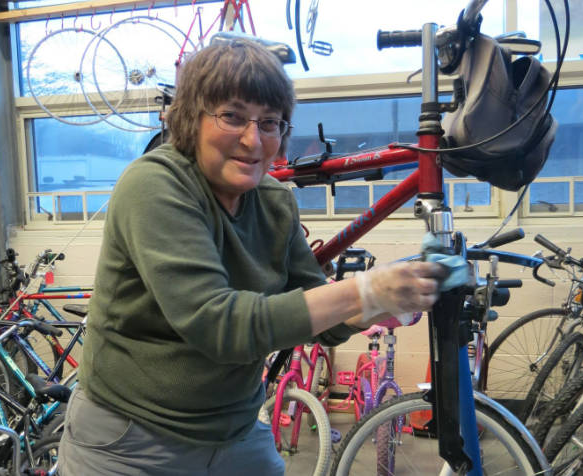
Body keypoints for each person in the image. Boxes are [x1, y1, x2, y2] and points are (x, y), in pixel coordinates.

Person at [58, 38, 445, 476]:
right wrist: (362, 293)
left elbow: (318, 308)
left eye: (269, 122)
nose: (252, 138)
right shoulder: (155, 185)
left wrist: (378, 306)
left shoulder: (274, 201)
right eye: (232, 116)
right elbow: (218, 324)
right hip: (132, 441)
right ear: (191, 119)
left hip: (235, 431)